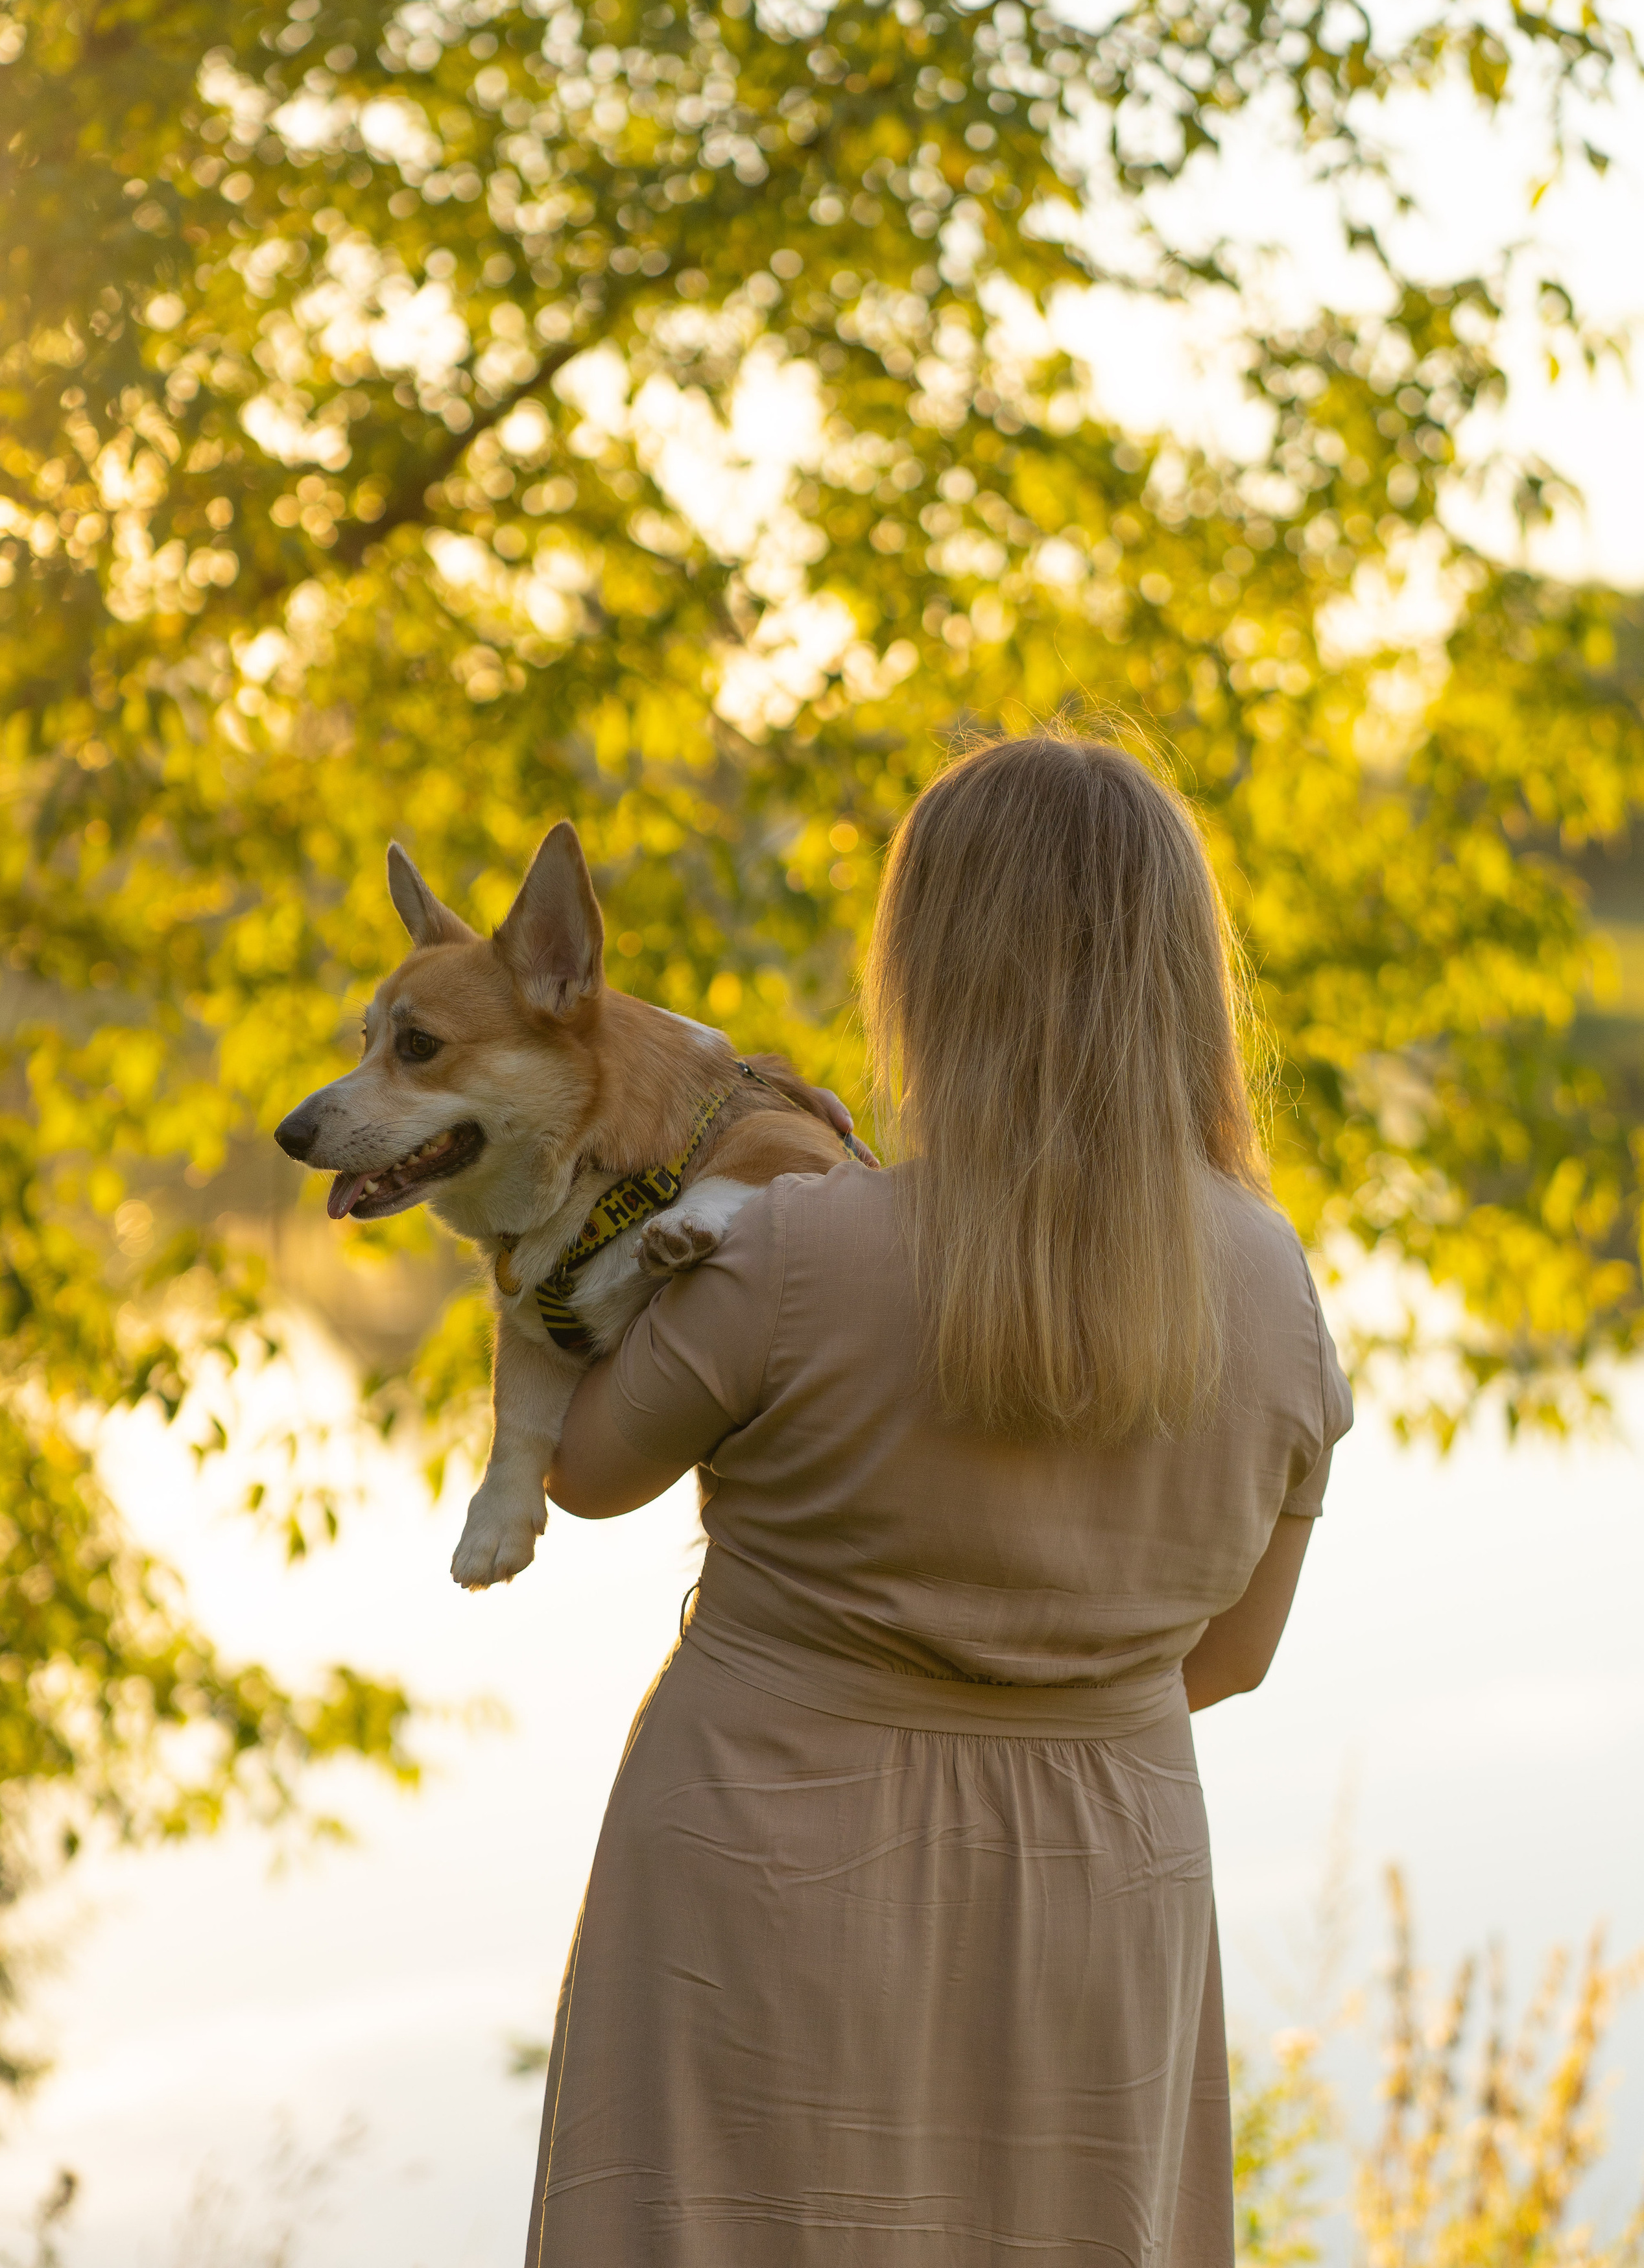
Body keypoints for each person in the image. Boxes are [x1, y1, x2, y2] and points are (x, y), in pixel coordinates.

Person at [525, 730, 1352, 2267]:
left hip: (760, 1856)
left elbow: (578, 1476)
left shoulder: (787, 1250)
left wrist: (545, 1214)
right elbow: (1231, 1657)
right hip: (1104, 1879)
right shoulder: (1270, 1283)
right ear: (1177, 978)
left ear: (931, 972)